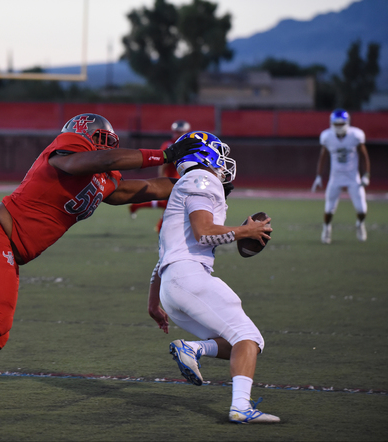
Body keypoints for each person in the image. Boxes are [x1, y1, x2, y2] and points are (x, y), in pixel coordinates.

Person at [0, 113, 201, 412]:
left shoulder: (102, 177)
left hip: (6, 245)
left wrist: (202, 184)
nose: (108, 145)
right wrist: (167, 155)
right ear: (87, 134)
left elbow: (140, 188)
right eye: (103, 138)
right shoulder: (68, 148)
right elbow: (103, 159)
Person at [147, 131, 280, 424]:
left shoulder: (186, 185)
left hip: (173, 287)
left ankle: (193, 348)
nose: (223, 161)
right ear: (204, 154)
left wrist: (155, 304)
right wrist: (247, 231)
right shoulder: (202, 179)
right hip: (189, 277)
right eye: (218, 152)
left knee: (237, 344)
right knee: (249, 337)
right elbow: (204, 232)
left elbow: (165, 257)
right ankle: (241, 407)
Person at [311, 109, 370, 244]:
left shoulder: (355, 135)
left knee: (361, 209)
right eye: (336, 124)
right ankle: (326, 229)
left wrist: (366, 174)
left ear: (347, 123)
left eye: (340, 124)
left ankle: (360, 224)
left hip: (353, 177)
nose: (338, 127)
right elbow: (323, 156)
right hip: (335, 177)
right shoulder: (327, 137)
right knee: (329, 209)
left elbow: (364, 155)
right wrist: (318, 176)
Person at [129, 120, 191, 232]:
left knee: (170, 205)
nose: (180, 134)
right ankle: (160, 226)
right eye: (178, 132)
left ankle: (138, 207)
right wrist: (162, 178)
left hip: (181, 179)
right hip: (172, 179)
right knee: (173, 205)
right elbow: (164, 164)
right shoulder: (169, 144)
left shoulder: (188, 145)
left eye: (182, 132)